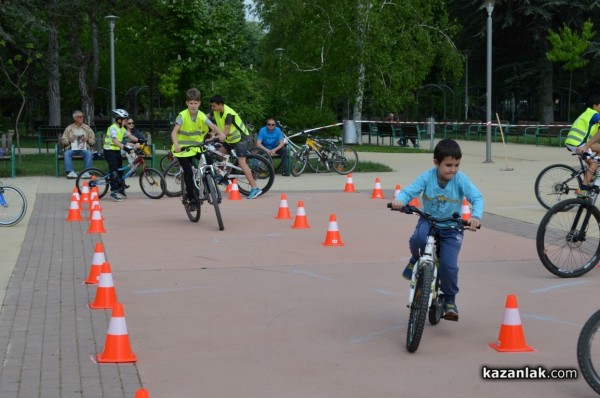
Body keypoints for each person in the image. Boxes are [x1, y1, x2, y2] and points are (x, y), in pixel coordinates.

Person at [391, 139, 483, 321]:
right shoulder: (427, 177)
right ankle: (415, 260)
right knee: (418, 239)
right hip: (429, 222)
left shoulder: (460, 180)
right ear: (436, 163)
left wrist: (475, 217)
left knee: (449, 265)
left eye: (457, 165)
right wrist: (400, 200)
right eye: (448, 165)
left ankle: (449, 299)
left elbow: (477, 198)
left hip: (452, 228)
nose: (453, 169)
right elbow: (409, 192)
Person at [171, 88, 223, 211]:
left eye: (195, 103)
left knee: (209, 162)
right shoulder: (182, 116)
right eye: (191, 103)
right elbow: (174, 133)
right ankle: (192, 199)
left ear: (199, 103)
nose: (193, 105)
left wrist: (221, 134)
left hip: (197, 148)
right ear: (187, 103)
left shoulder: (201, 115)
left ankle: (210, 187)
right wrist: (176, 145)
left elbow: (212, 126)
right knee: (188, 173)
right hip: (183, 150)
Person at [209, 94, 262, 199]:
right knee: (219, 153)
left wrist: (214, 137)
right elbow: (205, 117)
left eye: (214, 106)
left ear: (220, 104)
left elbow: (227, 131)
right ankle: (224, 177)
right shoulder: (216, 111)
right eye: (211, 106)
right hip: (230, 139)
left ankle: (255, 188)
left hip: (241, 138)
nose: (212, 108)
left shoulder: (229, 114)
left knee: (242, 163)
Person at [564, 95, 600, 196]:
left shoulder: (589, 113)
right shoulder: (594, 114)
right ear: (595, 106)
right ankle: (582, 189)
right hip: (578, 143)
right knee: (594, 163)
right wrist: (586, 146)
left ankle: (592, 174)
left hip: (579, 141)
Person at [103, 109, 136, 202]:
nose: (126, 122)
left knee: (120, 170)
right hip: (109, 151)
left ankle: (121, 189)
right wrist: (125, 148)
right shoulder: (113, 128)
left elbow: (130, 136)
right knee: (114, 172)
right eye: (125, 120)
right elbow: (115, 141)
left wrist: (140, 140)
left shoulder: (122, 129)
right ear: (119, 120)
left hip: (116, 151)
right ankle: (113, 192)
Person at [60, 110, 95, 179]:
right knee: (67, 153)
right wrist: (69, 141)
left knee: (88, 153)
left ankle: (87, 172)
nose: (82, 118)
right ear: (75, 118)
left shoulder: (87, 128)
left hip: (84, 149)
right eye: (80, 117)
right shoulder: (69, 128)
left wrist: (87, 139)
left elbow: (93, 141)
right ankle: (71, 172)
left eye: (83, 116)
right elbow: (63, 140)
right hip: (72, 148)